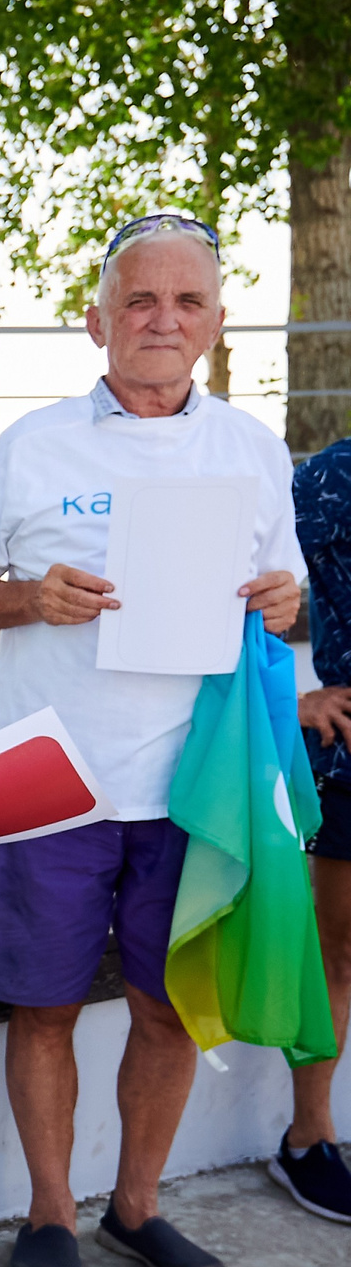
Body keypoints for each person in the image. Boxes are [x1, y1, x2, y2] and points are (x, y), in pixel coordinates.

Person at [0, 212, 307, 1267]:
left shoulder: (250, 448)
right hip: (51, 780)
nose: (162, 319)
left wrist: (283, 601)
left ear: (215, 321)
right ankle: (50, 1212)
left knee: (167, 1007)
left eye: (187, 300)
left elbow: (284, 597)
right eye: (139, 300)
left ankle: (137, 1208)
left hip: (196, 788)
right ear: (96, 318)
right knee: (44, 1006)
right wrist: (32, 598)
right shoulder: (33, 444)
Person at [288, 430, 351, 1222]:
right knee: (336, 953)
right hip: (348, 754)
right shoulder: (334, 476)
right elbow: (237, 584)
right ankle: (308, 1138)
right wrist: (292, 701)